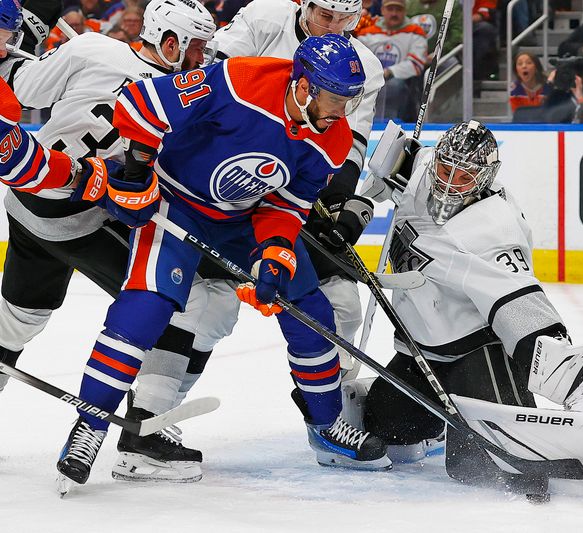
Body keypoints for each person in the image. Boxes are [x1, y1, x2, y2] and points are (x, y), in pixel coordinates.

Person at [53, 33, 391, 492]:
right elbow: (139, 102)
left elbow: (287, 206)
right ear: (305, 85)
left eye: (350, 101)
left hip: (244, 218)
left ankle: (327, 426)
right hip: (174, 203)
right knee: (144, 309)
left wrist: (274, 256)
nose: (342, 112)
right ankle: (89, 428)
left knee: (312, 312)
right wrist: (136, 171)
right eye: (335, 99)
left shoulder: (333, 140)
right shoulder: (239, 81)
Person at [354, 120, 583, 502]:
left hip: (478, 351)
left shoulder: (494, 227)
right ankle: (447, 418)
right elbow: (389, 165)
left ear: (484, 178)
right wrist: (365, 199)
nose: (449, 183)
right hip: (423, 350)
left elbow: (518, 299)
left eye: (463, 177)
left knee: (504, 469)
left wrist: (558, 362)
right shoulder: (421, 168)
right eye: (445, 170)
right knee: (383, 422)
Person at [0, 0, 233, 484]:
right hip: (82, 215)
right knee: (175, 304)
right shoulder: (188, 102)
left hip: (25, 198)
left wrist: (22, 44)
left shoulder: (90, 46)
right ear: (170, 43)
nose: (202, 59)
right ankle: (140, 437)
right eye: (195, 48)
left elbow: (24, 89)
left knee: (18, 318)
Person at [211, 0, 384, 372]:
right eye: (326, 15)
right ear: (303, 5)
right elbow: (214, 79)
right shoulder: (264, 18)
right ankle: (147, 414)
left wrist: (337, 201)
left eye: (346, 19)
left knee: (343, 305)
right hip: (224, 182)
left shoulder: (363, 65)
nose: (334, 27)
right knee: (206, 311)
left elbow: (350, 141)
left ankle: (328, 413)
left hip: (292, 196)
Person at [357, 0, 428, 122]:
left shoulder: (415, 32)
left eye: (398, 10)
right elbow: (359, 59)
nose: (394, 13)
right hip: (370, 79)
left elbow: (416, 64)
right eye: (390, 9)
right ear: (383, 10)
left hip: (404, 84)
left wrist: (389, 71)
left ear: (405, 11)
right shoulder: (367, 32)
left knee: (393, 85)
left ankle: (389, 124)